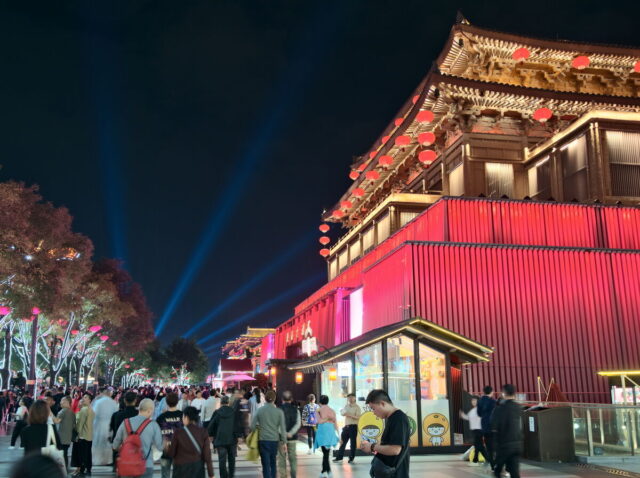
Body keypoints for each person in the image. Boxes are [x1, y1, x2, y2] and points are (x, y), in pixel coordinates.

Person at [360, 389, 410, 478]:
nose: (373, 412)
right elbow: (389, 445)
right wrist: (371, 446)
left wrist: (372, 446)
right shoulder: (392, 418)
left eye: (373, 408)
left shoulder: (398, 419)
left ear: (382, 404)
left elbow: (395, 450)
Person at [112, 398, 164, 478]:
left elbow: (115, 445)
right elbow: (160, 447)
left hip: (127, 465)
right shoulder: (153, 425)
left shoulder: (125, 422)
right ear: (150, 410)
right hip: (146, 465)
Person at [165, 406, 215, 478]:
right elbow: (207, 455)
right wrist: (211, 474)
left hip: (180, 470)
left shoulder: (178, 433)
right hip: (197, 470)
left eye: (183, 417)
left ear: (186, 417)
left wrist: (167, 448)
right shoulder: (203, 432)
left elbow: (171, 453)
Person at [250, 389, 286, 478]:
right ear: (274, 399)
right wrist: (284, 442)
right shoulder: (279, 412)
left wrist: (258, 429)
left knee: (265, 464)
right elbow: (282, 428)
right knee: (273, 463)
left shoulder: (260, 410)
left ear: (265, 399)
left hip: (263, 440)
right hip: (274, 440)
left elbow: (252, 426)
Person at [491, 384, 523, 478]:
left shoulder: (499, 409)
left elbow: (493, 427)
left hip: (504, 446)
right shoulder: (518, 407)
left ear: (503, 393)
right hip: (517, 445)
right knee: (514, 472)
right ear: (514, 393)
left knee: (497, 470)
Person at [208, 395, 238, 478]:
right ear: (228, 402)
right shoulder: (233, 412)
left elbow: (211, 426)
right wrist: (238, 436)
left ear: (221, 403)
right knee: (232, 459)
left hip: (220, 439)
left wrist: (211, 435)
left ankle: (223, 476)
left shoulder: (217, 412)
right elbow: (237, 425)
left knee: (222, 460)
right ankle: (231, 475)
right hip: (232, 440)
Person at [110, 391, 138, 472]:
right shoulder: (139, 414)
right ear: (135, 401)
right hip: (135, 447)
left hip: (120, 448)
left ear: (125, 401)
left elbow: (113, 429)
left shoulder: (117, 415)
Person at [157, 392, 184, 478]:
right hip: (180, 450)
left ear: (167, 402)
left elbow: (157, 434)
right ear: (177, 401)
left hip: (165, 450)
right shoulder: (182, 415)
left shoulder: (161, 417)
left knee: (165, 474)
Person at [460, 396, 492, 467]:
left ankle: (476, 460)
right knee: (479, 446)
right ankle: (488, 459)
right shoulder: (472, 410)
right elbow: (468, 417)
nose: (473, 402)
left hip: (479, 430)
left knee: (478, 445)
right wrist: (462, 415)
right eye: (472, 401)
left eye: (475, 400)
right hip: (475, 430)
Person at [91, 387, 118, 466]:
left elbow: (94, 414)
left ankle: (98, 460)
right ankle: (108, 460)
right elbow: (115, 414)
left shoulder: (98, 402)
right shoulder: (113, 402)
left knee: (98, 443)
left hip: (99, 424)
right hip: (109, 425)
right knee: (108, 444)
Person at [314, 395, 339, 478]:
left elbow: (319, 421)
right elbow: (335, 424)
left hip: (322, 433)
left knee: (325, 453)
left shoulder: (318, 411)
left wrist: (325, 419)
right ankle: (327, 471)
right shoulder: (332, 410)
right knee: (326, 453)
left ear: (320, 402)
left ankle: (325, 471)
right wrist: (338, 435)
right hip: (330, 433)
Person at [277, 391, 301, 478]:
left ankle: (283, 476)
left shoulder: (278, 409)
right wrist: (290, 433)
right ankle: (293, 475)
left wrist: (283, 433)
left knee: (282, 457)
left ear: (282, 399)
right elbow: (298, 423)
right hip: (293, 437)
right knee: (293, 458)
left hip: (280, 438)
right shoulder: (296, 410)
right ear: (291, 399)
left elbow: (277, 424)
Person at [334, 393, 361, 463]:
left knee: (353, 443)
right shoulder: (346, 406)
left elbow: (358, 417)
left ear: (355, 398)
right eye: (349, 398)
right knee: (342, 442)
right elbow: (343, 413)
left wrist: (349, 414)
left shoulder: (357, 407)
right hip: (346, 427)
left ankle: (351, 458)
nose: (350, 399)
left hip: (353, 427)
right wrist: (342, 412)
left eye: (352, 397)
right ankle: (339, 457)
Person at [72, 393, 95, 477]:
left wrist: (76, 433)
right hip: (89, 435)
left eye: (86, 397)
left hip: (83, 435)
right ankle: (88, 469)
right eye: (83, 397)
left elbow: (80, 424)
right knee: (88, 453)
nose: (84, 398)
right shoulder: (91, 409)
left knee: (82, 454)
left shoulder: (84, 409)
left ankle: (82, 470)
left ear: (89, 400)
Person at [477, 385, 497, 468]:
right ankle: (494, 463)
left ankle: (491, 463)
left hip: (484, 426)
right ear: (491, 392)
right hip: (492, 427)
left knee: (488, 446)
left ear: (483, 392)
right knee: (493, 446)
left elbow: (479, 414)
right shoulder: (493, 401)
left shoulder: (480, 401)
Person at [55, 396, 76, 470]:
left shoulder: (63, 411)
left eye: (62, 400)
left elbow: (57, 421)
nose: (60, 402)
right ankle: (65, 468)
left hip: (61, 438)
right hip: (68, 438)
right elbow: (74, 425)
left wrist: (50, 414)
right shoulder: (72, 413)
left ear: (67, 402)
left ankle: (61, 470)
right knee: (65, 454)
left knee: (60, 454)